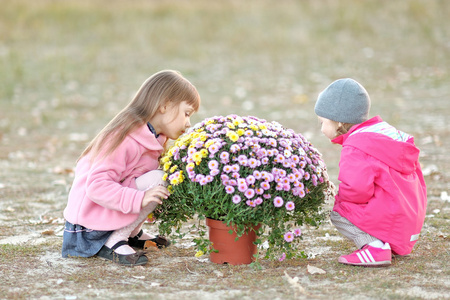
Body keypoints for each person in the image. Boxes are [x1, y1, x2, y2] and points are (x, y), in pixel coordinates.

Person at [62, 70, 201, 266]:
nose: (188, 123)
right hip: (87, 226)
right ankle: (113, 241)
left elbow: (134, 177)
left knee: (160, 178)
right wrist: (141, 198)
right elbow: (96, 186)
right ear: (165, 105)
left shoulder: (153, 137)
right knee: (159, 179)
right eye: (186, 113)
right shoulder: (125, 137)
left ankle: (131, 233)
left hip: (102, 215)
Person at [314, 78, 427, 267]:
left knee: (339, 212)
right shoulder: (386, 134)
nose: (321, 129)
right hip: (409, 223)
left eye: (322, 122)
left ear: (339, 122)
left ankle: (375, 248)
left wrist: (340, 197)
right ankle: (384, 243)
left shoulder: (357, 147)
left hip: (393, 220)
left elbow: (357, 190)